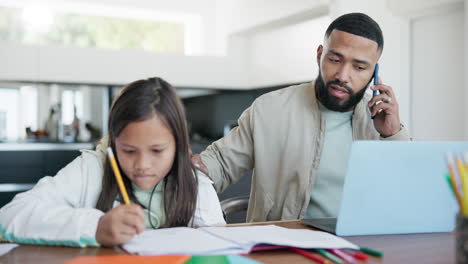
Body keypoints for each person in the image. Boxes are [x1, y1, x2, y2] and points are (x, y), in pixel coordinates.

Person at [192, 13, 411, 222]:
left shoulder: (380, 122)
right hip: (283, 246)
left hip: (358, 247)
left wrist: (393, 135)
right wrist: (187, 166)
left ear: (374, 72)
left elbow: (406, 195)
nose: (343, 76)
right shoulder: (269, 109)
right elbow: (219, 164)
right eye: (335, 60)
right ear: (319, 55)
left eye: (359, 67)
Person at [0, 77, 225, 247]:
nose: (143, 164)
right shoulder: (92, 169)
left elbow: (219, 244)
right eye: (128, 150)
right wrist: (95, 227)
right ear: (113, 143)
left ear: (178, 145)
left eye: (157, 151)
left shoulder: (195, 182)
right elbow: (11, 215)